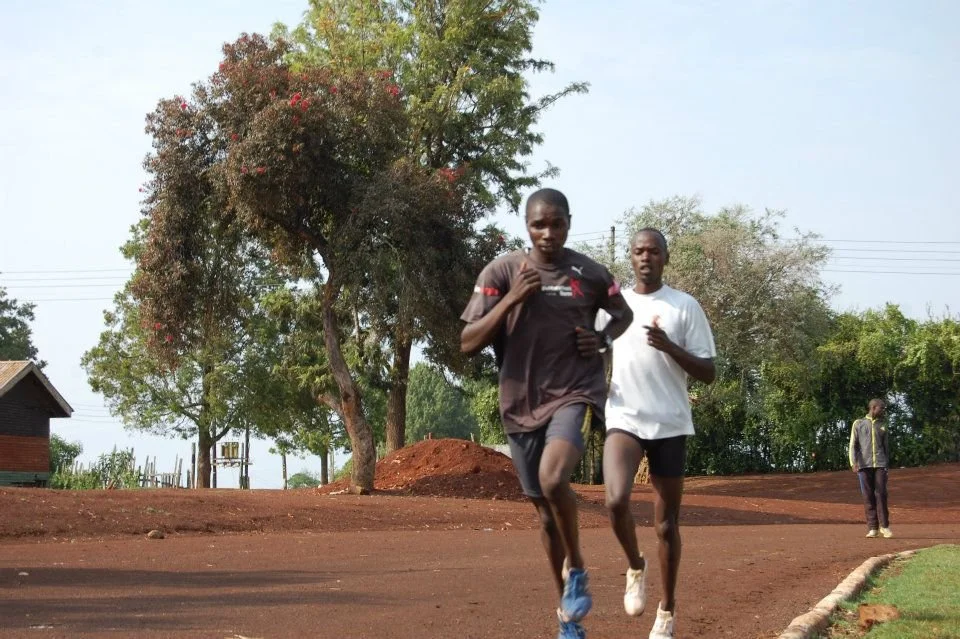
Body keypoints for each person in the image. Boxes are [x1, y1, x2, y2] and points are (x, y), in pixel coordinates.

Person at [460, 188, 633, 639]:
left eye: (556, 223)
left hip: (574, 392)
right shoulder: (501, 272)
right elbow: (467, 342)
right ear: (527, 226)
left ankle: (577, 569)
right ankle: (568, 616)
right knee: (543, 512)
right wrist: (512, 298)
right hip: (520, 401)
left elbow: (622, 314)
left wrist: (602, 340)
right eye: (539, 224)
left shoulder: (590, 273)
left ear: (569, 223)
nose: (548, 233)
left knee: (556, 480)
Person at [596, 228, 716, 639]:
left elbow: (709, 372)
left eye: (653, 251)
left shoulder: (684, 307)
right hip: (624, 416)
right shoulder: (614, 305)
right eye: (638, 251)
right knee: (615, 500)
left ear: (665, 256)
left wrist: (670, 347)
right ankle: (634, 564)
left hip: (669, 423)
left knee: (666, 526)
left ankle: (666, 610)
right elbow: (592, 352)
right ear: (630, 258)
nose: (646, 257)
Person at [849, 399, 892, 539]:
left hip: (880, 464)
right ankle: (873, 528)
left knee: (881, 494)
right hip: (863, 465)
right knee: (868, 496)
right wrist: (853, 462)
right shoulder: (858, 423)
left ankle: (884, 527)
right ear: (873, 408)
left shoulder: (883, 425)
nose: (883, 410)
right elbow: (853, 445)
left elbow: (886, 447)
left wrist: (887, 465)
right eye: (881, 408)